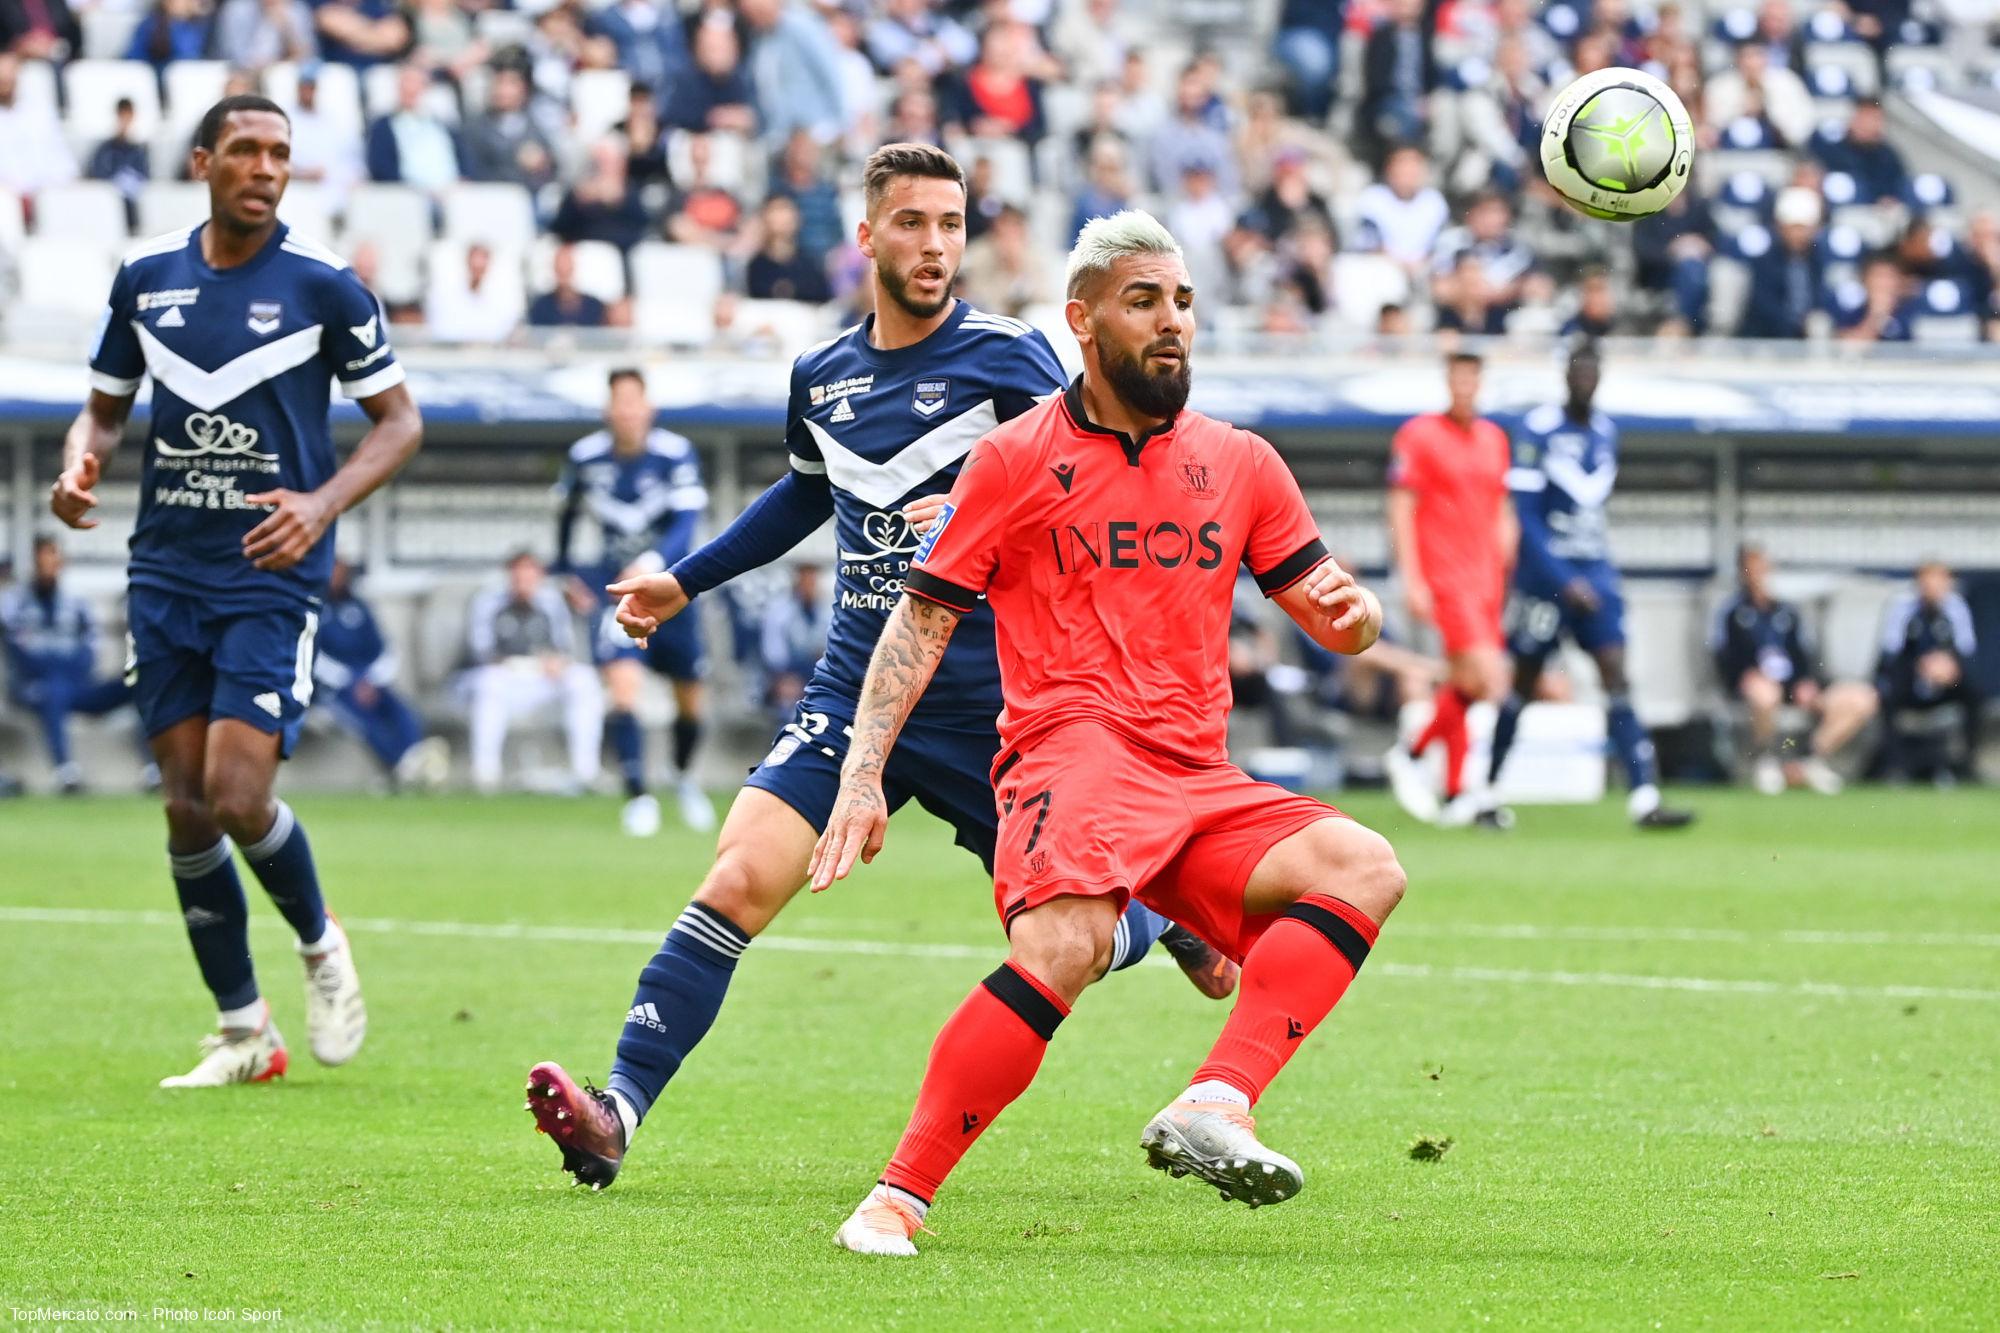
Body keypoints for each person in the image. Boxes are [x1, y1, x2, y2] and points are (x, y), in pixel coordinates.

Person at [520, 147, 1228, 1191]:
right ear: (866, 238)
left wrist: (979, 509)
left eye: (949, 224)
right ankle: (614, 1109)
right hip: (858, 688)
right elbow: (803, 496)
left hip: (996, 703)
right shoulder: (823, 374)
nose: (934, 244)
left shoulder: (1006, 359)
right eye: (910, 223)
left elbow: (1089, 467)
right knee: (735, 877)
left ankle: (1163, 920)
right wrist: (684, 579)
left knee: (1070, 931)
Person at [807, 210, 1405, 1254]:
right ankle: (893, 1199)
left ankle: (1215, 1100)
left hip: (1195, 773)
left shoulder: (1241, 462)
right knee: (1065, 944)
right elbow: (921, 619)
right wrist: (862, 770)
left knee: (1361, 867)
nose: (1170, 322)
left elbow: (1317, 594)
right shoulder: (1012, 460)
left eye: (1180, 301)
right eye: (1144, 302)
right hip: (1070, 750)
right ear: (1081, 322)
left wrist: (1351, 618)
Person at [50, 94, 422, 1087]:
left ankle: (317, 942)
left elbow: (397, 423)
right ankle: (242, 1029)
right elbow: (101, 407)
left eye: (282, 154)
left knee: (236, 790)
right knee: (182, 806)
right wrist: (80, 464)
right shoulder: (147, 280)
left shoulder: (325, 289)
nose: (266, 167)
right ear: (206, 160)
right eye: (248, 150)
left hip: (268, 573)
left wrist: (322, 502)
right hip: (163, 569)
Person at [1483, 344, 1696, 830]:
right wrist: (1563, 579)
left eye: (1592, 371)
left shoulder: (1605, 432)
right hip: (1546, 580)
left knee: (1617, 674)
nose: (1585, 379)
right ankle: (1487, 791)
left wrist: (1596, 573)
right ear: (1566, 376)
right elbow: (1528, 518)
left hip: (1595, 575)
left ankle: (1644, 794)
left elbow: (1592, 514)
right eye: (1578, 371)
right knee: (1523, 682)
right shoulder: (1538, 430)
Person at [553, 368, 713, 837]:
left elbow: (688, 521)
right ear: (608, 410)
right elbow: (565, 513)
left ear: (648, 409)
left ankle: (682, 777)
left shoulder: (675, 454)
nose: (626, 412)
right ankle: (639, 795)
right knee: (623, 690)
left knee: (690, 702)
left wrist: (653, 562)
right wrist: (565, 571)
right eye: (618, 403)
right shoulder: (585, 457)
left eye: (633, 402)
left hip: (673, 588)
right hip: (617, 589)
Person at [1382, 353, 1515, 825]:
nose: (1464, 385)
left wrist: (1506, 553)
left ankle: (1457, 789)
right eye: (1457, 376)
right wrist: (1412, 577)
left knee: (1466, 681)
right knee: (1488, 679)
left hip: (1486, 581)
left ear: (1480, 383)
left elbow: (1500, 505)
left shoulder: (1494, 439)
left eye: (1472, 377)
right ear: (1448, 380)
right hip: (1446, 578)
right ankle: (1415, 751)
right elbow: (1401, 506)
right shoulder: (1419, 436)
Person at [1711, 544, 1878, 795]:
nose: (1758, 573)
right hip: (1757, 688)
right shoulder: (1732, 612)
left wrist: (1806, 682)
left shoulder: (1787, 611)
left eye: (1762, 567)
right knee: (1764, 693)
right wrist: (1743, 677)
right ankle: (1766, 760)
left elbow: (1805, 654)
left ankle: (1809, 757)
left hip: (1794, 687)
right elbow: (1723, 658)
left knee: (1862, 698)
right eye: (1752, 568)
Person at [0, 535, 139, 793]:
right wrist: (56, 666)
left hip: (76, 685)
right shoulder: (14, 604)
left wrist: (60, 666)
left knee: (139, 684)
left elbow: (88, 654)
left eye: (53, 560)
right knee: (53, 688)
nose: (49, 567)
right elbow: (21, 656)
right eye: (43, 561)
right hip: (32, 689)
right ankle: (65, 772)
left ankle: (155, 771)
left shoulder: (76, 604)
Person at [465, 551, 604, 795]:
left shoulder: (550, 602)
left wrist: (557, 662)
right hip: (503, 679)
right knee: (489, 683)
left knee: (584, 680)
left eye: (529, 575)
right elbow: (481, 651)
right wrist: (519, 663)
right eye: (518, 575)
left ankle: (586, 771)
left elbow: (564, 648)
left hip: (541, 681)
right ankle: (485, 774)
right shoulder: (489, 602)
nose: (523, 582)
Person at [313, 558, 447, 790]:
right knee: (366, 723)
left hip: (370, 684)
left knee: (403, 712)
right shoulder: (314, 608)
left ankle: (412, 760)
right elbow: (314, 656)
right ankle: (404, 768)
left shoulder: (359, 607)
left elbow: (384, 648)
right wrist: (351, 681)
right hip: (332, 691)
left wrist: (370, 680)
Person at [1874, 561, 1981, 783]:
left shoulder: (1956, 608)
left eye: (1940, 580)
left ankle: (1965, 765)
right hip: (1909, 681)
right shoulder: (1903, 607)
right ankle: (1894, 766)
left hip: (1945, 683)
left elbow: (1967, 653)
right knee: (1886, 696)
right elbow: (1889, 655)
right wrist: (1919, 666)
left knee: (1974, 696)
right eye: (1928, 580)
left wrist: (1950, 667)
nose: (1933, 586)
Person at [526, 243, 609, 328]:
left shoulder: (595, 307)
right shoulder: (540, 307)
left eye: (567, 268)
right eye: (560, 269)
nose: (563, 271)